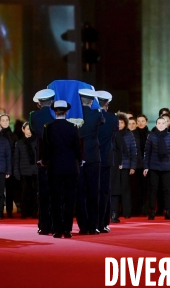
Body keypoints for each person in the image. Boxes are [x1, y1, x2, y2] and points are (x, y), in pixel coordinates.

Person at [41, 100, 82, 238]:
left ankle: (57, 230)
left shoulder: (48, 128)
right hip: (71, 168)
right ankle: (67, 230)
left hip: (54, 168)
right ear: (67, 112)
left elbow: (46, 149)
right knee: (70, 199)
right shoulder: (73, 127)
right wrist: (80, 161)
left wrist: (45, 161)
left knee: (55, 199)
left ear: (54, 111)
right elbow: (77, 148)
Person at [76, 87, 103, 235]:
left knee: (80, 194)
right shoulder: (97, 115)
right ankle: (93, 226)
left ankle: (83, 226)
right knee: (94, 193)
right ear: (92, 101)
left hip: (78, 158)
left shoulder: (74, 116)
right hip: (93, 158)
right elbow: (102, 121)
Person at [29, 87, 55, 235]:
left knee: (43, 193)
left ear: (39, 103)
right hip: (55, 157)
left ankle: (44, 225)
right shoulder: (55, 115)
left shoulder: (33, 116)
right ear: (51, 102)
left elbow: (33, 132)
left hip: (40, 157)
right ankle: (55, 224)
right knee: (56, 192)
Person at [143, 116, 170, 220]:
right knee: (153, 190)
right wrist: (146, 166)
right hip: (154, 167)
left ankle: (168, 212)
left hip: (167, 167)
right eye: (159, 123)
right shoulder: (151, 136)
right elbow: (147, 152)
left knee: (167, 190)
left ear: (166, 124)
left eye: (163, 123)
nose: (161, 125)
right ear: (156, 124)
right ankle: (152, 211)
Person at [96, 90, 118, 233]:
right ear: (107, 105)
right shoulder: (113, 119)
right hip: (106, 158)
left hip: (91, 158)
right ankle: (104, 223)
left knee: (91, 191)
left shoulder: (90, 117)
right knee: (105, 192)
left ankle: (92, 223)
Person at [111, 112, 137, 221]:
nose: (120, 124)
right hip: (114, 166)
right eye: (118, 122)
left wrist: (132, 166)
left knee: (125, 190)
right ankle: (114, 212)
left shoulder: (129, 134)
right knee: (114, 190)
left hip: (126, 165)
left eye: (122, 122)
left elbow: (133, 151)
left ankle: (127, 212)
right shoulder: (112, 133)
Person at [13, 122, 38, 219]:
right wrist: (16, 172)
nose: (29, 131)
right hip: (24, 172)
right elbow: (16, 159)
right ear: (23, 130)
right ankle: (24, 212)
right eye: (27, 129)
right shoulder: (19, 143)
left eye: (31, 129)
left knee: (35, 193)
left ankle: (34, 212)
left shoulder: (36, 141)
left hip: (35, 171)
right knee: (24, 193)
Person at [0, 113, 18, 218]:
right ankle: (0, 211)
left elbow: (15, 153)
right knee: (0, 190)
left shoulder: (14, 136)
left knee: (10, 191)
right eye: (3, 120)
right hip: (0, 166)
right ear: (0, 122)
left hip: (10, 167)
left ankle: (9, 212)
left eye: (7, 120)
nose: (5, 122)